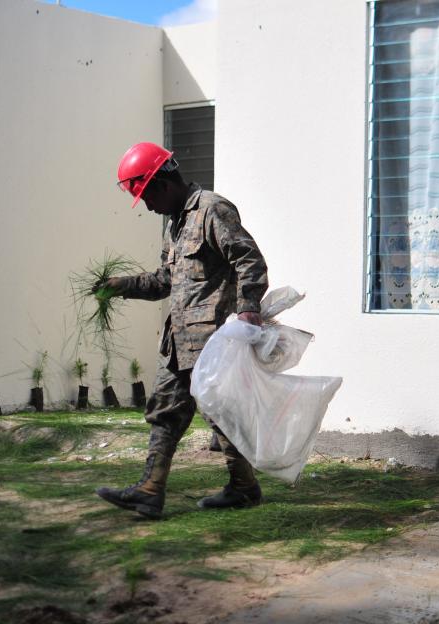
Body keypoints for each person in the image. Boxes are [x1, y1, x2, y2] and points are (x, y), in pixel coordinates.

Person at [95, 141, 269, 519]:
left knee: (220, 415)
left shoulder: (212, 210)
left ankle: (244, 488)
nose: (147, 206)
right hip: (178, 342)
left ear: (163, 182)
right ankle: (150, 490)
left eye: (146, 196)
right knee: (165, 411)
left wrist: (249, 311)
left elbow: (249, 260)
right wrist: (121, 286)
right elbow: (165, 281)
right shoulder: (175, 224)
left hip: (212, 341)